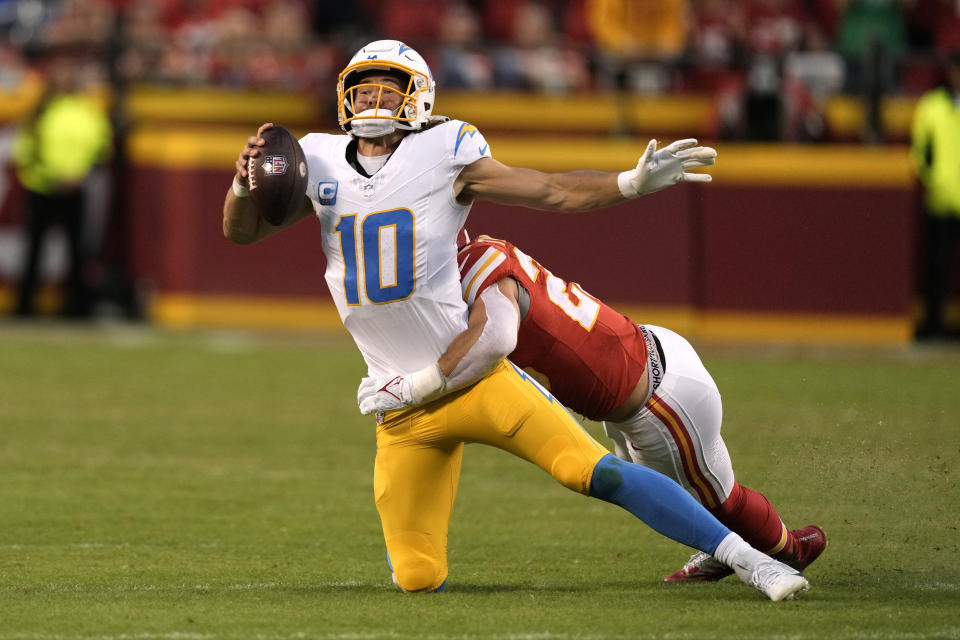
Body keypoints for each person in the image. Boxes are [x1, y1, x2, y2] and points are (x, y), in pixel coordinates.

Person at [224, 39, 809, 600]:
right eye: (364, 89)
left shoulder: (447, 150)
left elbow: (552, 190)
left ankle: (748, 558)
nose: (375, 101)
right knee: (416, 577)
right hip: (398, 411)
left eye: (389, 89)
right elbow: (241, 231)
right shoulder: (318, 157)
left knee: (593, 472)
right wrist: (240, 184)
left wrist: (627, 183)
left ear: (418, 97)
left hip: (472, 380)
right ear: (344, 96)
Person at [361, 233, 828, 582]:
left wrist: (413, 385)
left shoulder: (478, 269)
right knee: (684, 490)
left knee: (713, 496)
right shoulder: (472, 263)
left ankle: (788, 549)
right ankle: (728, 549)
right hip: (632, 378)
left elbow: (494, 339)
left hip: (657, 395)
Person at [11, 54, 112, 318]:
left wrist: (80, 175)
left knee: (78, 249)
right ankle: (24, 306)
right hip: (42, 187)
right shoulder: (40, 111)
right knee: (34, 248)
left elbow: (100, 146)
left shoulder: (87, 110)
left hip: (76, 188)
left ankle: (77, 308)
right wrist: (52, 176)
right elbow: (28, 150)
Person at [911, 50, 960, 339]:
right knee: (937, 268)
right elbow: (920, 151)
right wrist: (934, 181)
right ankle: (934, 328)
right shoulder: (932, 106)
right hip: (942, 198)